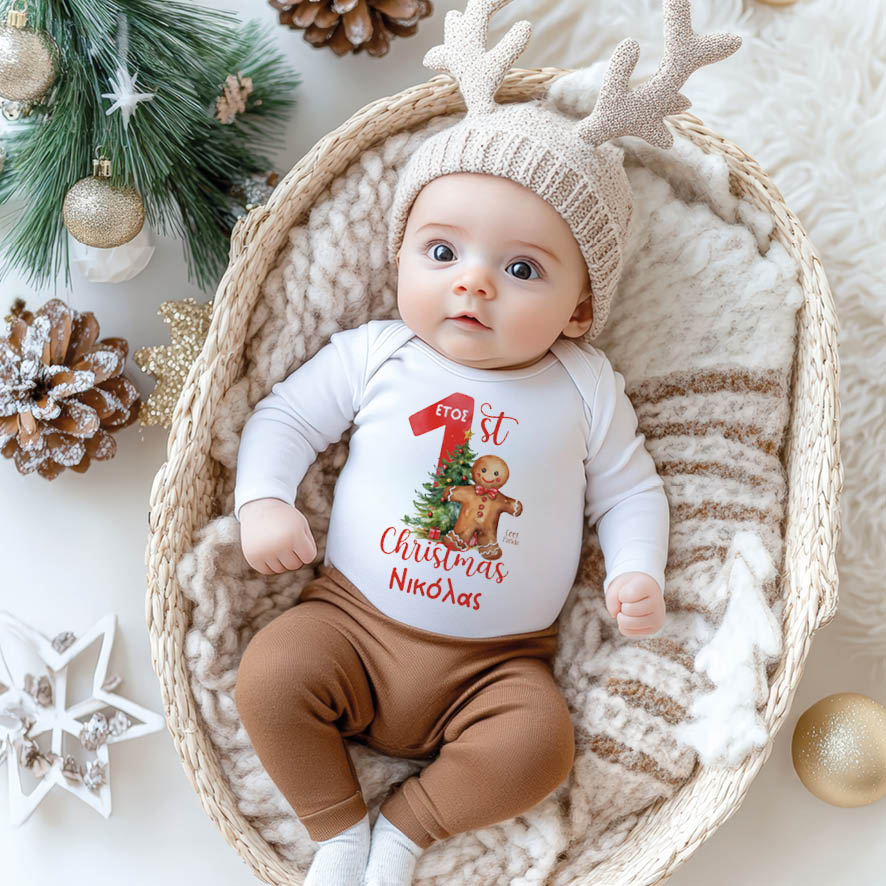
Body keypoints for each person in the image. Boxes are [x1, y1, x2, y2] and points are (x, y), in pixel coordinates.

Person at [231, 2, 739, 884]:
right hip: (347, 622)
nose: (473, 282)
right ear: (397, 261)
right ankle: (336, 828)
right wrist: (264, 499)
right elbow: (284, 418)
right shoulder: (377, 353)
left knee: (540, 749)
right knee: (270, 678)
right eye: (440, 251)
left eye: (521, 269)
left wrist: (636, 571)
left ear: (579, 309)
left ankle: (407, 830)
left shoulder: (583, 386)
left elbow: (631, 492)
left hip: (495, 671)